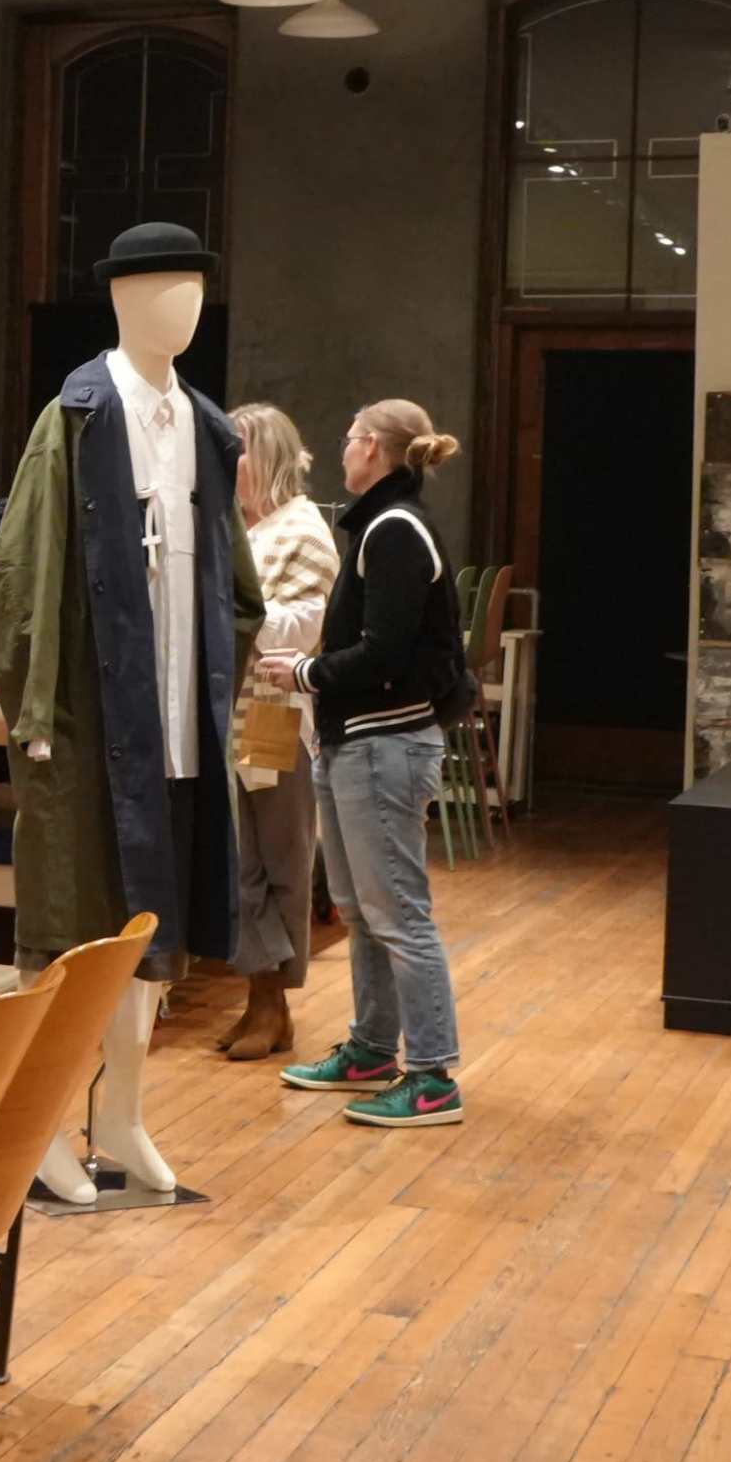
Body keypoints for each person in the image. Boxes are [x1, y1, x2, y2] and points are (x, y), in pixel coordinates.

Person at [262, 399, 472, 1130]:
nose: (342, 449)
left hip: (385, 745)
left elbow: (384, 653)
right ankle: (373, 1049)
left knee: (398, 914)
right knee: (361, 910)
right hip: (359, 742)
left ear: (375, 448)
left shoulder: (395, 531)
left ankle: (433, 1076)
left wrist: (306, 672)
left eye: (350, 438)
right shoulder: (383, 525)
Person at [218, 403, 337, 1059]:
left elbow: (302, 629)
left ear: (266, 456)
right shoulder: (232, 525)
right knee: (238, 860)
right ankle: (258, 998)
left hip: (273, 712)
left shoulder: (302, 530)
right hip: (222, 709)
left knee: (279, 858)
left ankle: (273, 1002)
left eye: (235, 449)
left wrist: (231, 609)